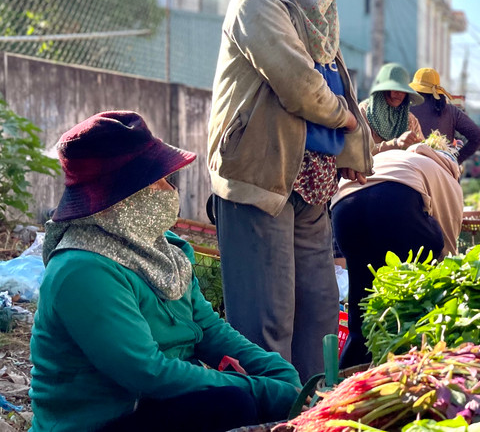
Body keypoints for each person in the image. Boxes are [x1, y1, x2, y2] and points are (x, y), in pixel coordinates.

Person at [30, 112, 301, 432]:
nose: (168, 189)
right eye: (157, 180)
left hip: (152, 405)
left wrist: (277, 373)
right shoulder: (82, 271)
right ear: (124, 196)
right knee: (232, 404)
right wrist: (261, 391)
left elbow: (208, 329)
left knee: (242, 399)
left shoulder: (164, 249)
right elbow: (146, 371)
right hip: (100, 423)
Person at [207, 0, 373, 382]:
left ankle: (310, 412)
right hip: (261, 181)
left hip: (311, 188)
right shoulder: (256, 2)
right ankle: (264, 415)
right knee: (267, 322)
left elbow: (333, 88)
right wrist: (347, 119)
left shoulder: (321, 19)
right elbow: (300, 86)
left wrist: (354, 152)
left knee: (320, 315)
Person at [331, 143, 464, 368]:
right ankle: (411, 356)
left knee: (361, 296)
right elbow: (449, 236)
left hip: (343, 205)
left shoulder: (399, 157)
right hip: (394, 200)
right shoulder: (447, 175)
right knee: (417, 289)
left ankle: (350, 368)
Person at [410, 67, 480, 163]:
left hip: (411, 165)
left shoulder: (405, 108)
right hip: (442, 169)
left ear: (415, 89)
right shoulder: (451, 111)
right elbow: (479, 137)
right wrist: (455, 160)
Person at [359, 62, 425, 154]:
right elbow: (360, 151)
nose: (399, 93)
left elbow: (422, 149)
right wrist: (395, 143)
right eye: (394, 88)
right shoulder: (364, 112)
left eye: (402, 90)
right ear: (382, 90)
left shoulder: (411, 120)